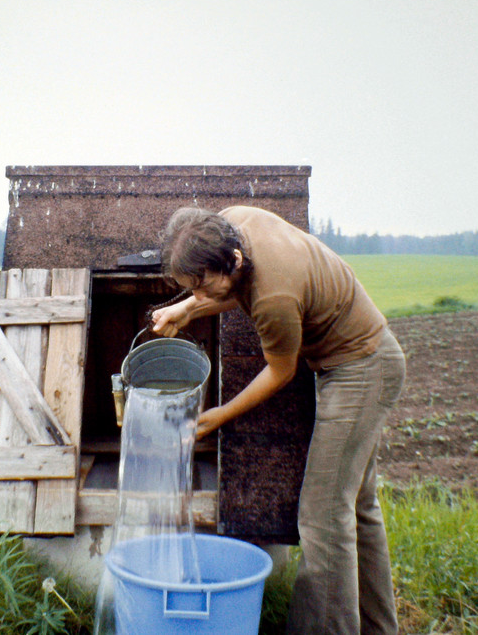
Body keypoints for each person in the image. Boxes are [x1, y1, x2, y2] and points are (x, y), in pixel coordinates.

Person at [151, 205, 405, 635]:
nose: (198, 293)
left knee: (323, 517)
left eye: (200, 285)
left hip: (361, 370)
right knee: (357, 509)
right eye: (187, 286)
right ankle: (378, 628)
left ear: (231, 259)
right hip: (365, 360)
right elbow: (233, 287)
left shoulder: (274, 298)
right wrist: (189, 309)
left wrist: (218, 415)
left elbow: (281, 372)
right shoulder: (234, 224)